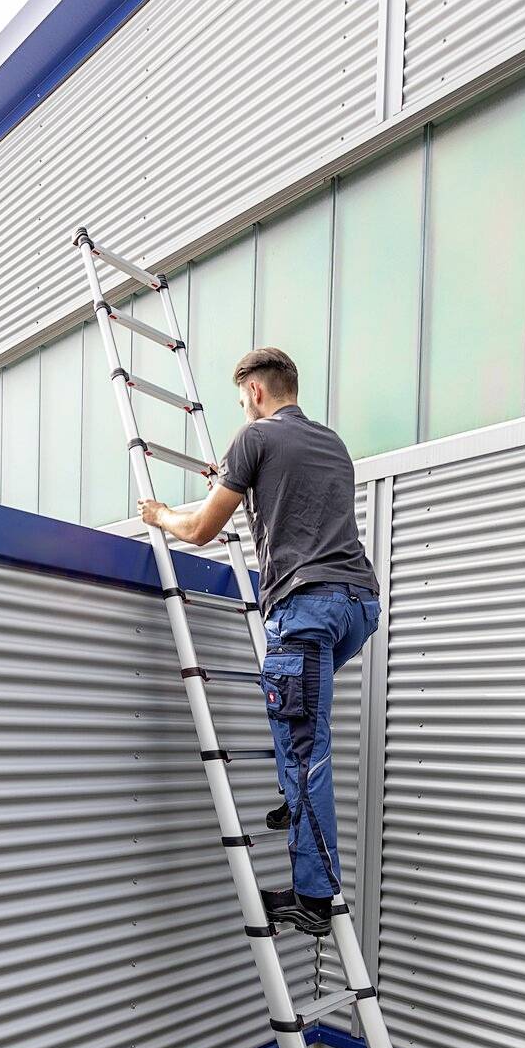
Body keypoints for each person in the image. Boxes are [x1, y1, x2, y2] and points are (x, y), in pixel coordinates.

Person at [138, 347, 380, 938]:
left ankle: (313, 900)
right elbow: (271, 502)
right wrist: (232, 483)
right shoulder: (331, 444)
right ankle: (298, 810)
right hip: (358, 606)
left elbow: (198, 529)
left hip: (306, 606)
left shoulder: (256, 439)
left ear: (253, 392)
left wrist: (160, 513)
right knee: (303, 734)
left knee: (302, 750)